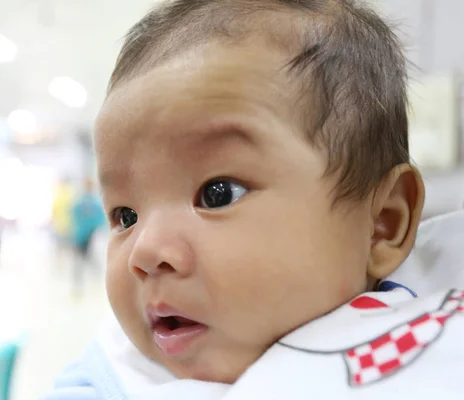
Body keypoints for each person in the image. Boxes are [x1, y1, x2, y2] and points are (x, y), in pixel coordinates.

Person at [45, 1, 464, 399]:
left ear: (381, 224)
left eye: (217, 194)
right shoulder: (113, 382)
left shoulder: (428, 343)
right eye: (126, 215)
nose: (145, 251)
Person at [69, 178, 106, 295]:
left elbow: (73, 216)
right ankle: (92, 279)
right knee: (86, 259)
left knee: (83, 259)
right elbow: (102, 221)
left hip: (83, 235)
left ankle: (82, 281)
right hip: (87, 235)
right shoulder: (95, 202)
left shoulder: (80, 202)